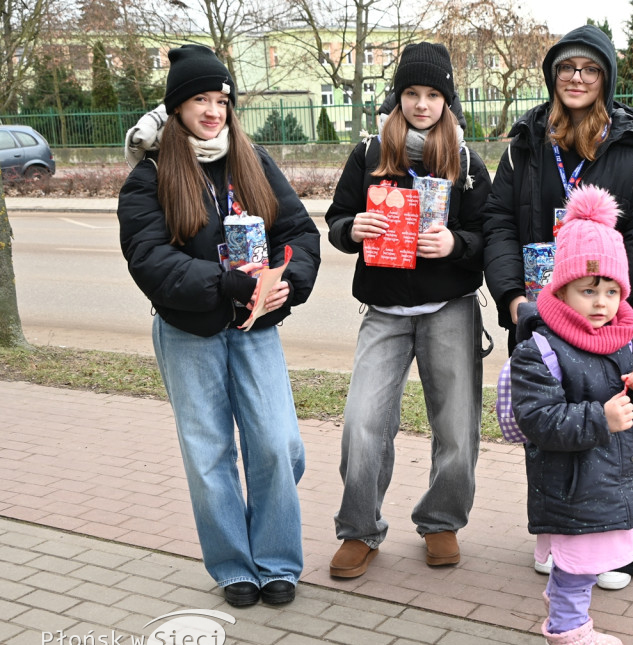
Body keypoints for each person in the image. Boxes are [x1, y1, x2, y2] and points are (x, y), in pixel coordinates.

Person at [118, 44, 321, 607]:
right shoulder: (151, 176)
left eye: (221, 99)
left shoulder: (253, 162)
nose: (213, 110)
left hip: (256, 327)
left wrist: (287, 279)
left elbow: (300, 235)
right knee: (209, 456)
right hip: (189, 332)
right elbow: (149, 260)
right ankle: (235, 567)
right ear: (178, 107)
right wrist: (225, 282)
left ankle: (277, 557)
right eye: (200, 99)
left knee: (278, 446)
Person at [482, 23, 633, 589]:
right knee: (548, 426)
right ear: (553, 76)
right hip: (537, 313)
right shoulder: (525, 141)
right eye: (567, 68)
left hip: (598, 315)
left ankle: (615, 544)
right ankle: (556, 532)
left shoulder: (631, 146)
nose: (577, 78)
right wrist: (512, 296)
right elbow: (498, 222)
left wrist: (607, 294)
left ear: (605, 78)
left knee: (608, 420)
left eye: (589, 69)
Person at [324, 43, 492, 579]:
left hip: (450, 308)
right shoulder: (370, 154)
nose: (422, 104)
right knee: (364, 421)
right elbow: (336, 220)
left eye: (433, 94)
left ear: (447, 100)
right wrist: (352, 229)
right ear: (398, 97)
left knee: (456, 424)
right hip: (384, 310)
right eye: (412, 94)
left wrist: (456, 245)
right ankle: (359, 530)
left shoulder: (465, 162)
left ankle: (442, 521)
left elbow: (490, 235)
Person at [510, 184, 633, 645]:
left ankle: (569, 626)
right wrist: (601, 418)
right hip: (570, 482)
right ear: (559, 290)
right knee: (577, 567)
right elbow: (538, 419)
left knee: (584, 567)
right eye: (588, 290)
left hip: (610, 478)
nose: (602, 303)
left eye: (612, 291)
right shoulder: (541, 348)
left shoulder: (622, 333)